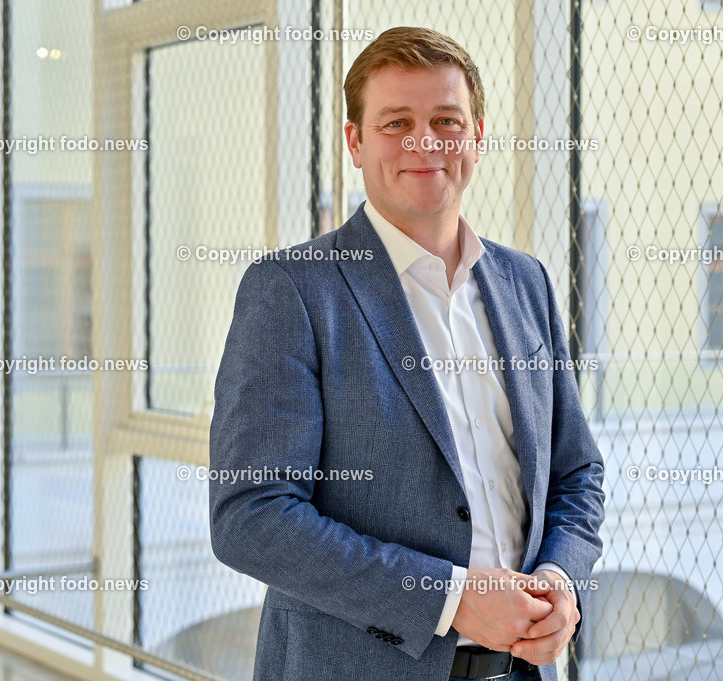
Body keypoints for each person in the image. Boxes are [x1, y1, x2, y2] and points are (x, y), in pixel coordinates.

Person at [209, 26, 605, 681]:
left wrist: (562, 579)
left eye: (446, 121)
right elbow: (251, 516)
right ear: (355, 143)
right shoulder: (293, 291)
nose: (425, 143)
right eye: (396, 123)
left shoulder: (525, 282)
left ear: (477, 136)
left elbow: (576, 471)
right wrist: (452, 599)